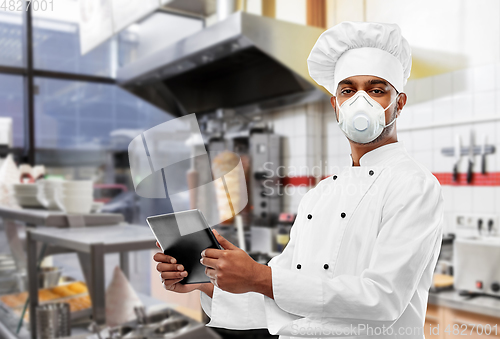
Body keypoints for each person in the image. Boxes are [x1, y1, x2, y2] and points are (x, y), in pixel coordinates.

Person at [153, 21, 444, 339]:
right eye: (347, 90)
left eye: (376, 90)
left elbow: (382, 300)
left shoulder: (415, 186)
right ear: (336, 105)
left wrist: (258, 276)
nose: (361, 102)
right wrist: (209, 283)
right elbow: (284, 299)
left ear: (398, 103)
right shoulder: (321, 194)